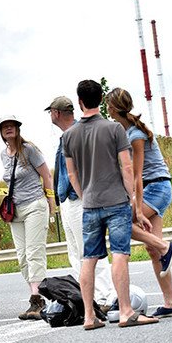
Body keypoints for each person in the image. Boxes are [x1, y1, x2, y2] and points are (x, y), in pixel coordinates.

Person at [63, 79, 159, 330]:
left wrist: (85, 196)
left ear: (80, 101)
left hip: (90, 204)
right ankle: (126, 311)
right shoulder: (114, 128)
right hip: (116, 201)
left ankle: (88, 316)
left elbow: (72, 175)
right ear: (100, 100)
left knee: (89, 259)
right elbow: (127, 168)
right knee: (119, 254)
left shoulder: (69, 135)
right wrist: (133, 201)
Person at [106, 87, 172, 317]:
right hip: (153, 188)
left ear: (112, 108)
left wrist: (137, 207)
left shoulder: (135, 135)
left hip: (156, 188)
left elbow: (137, 175)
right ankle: (170, 303)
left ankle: (166, 247)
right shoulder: (128, 131)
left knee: (120, 223)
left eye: (107, 104)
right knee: (151, 249)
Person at [46, 96, 115, 309]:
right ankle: (88, 298)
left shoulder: (78, 133)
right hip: (68, 200)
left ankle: (106, 296)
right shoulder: (67, 136)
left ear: (56, 113)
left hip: (79, 200)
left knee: (91, 248)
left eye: (51, 112)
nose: (50, 115)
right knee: (75, 252)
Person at [0, 115, 55, 320]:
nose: (8, 129)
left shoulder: (29, 149)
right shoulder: (4, 155)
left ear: (18, 128)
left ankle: (37, 299)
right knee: (22, 257)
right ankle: (36, 296)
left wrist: (51, 202)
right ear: (1, 132)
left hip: (35, 205)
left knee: (34, 253)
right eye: (5, 127)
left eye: (11, 125)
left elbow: (46, 175)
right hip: (16, 210)